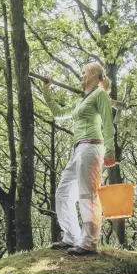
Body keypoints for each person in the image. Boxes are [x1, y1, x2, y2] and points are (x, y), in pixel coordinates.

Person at [42, 62, 116, 256]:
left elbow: (108, 124)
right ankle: (72, 237)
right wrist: (47, 91)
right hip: (77, 150)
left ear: (93, 74)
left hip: (92, 147)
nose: (81, 76)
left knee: (87, 195)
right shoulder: (80, 101)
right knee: (63, 194)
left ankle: (89, 242)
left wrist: (110, 151)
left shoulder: (100, 95)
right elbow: (58, 114)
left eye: (84, 73)